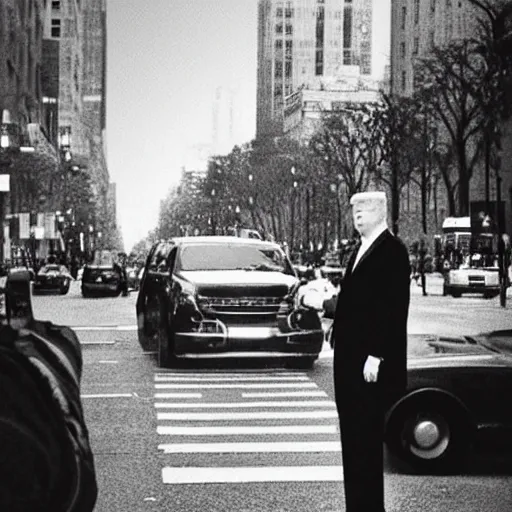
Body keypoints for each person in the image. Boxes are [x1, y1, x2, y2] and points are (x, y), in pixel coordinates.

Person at [331, 191, 410, 512]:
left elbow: (392, 308)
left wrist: (377, 353)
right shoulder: (359, 250)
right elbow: (355, 303)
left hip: (368, 362)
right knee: (353, 443)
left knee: (364, 444)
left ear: (382, 210)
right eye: (354, 209)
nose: (357, 214)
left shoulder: (392, 251)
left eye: (364, 208)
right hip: (349, 360)